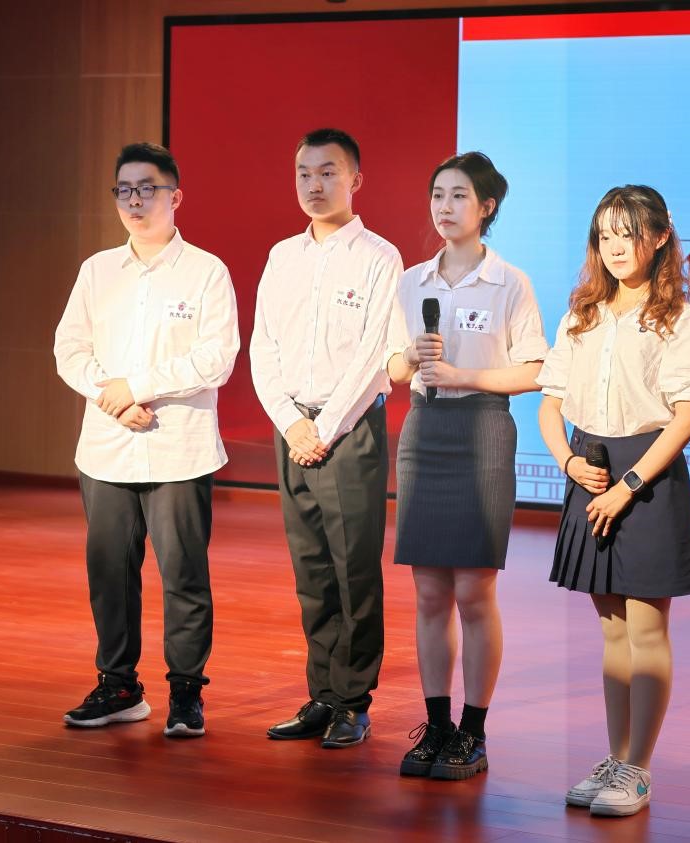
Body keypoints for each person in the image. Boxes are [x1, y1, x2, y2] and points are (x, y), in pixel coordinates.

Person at [536, 185, 690, 816]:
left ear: (661, 236)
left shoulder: (683, 321)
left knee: (646, 626)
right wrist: (568, 463)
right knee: (611, 628)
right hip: (589, 469)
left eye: (629, 233)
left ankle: (638, 769)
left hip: (647, 475)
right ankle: (616, 758)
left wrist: (629, 486)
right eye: (605, 235)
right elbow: (551, 404)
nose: (615, 247)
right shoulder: (581, 314)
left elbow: (687, 416)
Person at [54, 141, 239, 738]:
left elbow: (216, 357)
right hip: (106, 447)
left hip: (178, 448)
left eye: (147, 189)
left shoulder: (206, 271)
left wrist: (137, 388)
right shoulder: (97, 270)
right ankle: (119, 687)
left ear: (175, 197)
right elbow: (68, 348)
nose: (134, 201)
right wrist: (110, 395)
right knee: (110, 573)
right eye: (125, 191)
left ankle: (186, 692)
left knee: (184, 575)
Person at [385, 152, 547, 780]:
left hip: (482, 430)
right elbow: (392, 368)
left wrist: (463, 375)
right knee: (429, 591)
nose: (444, 207)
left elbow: (534, 370)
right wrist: (410, 356)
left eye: (458, 196)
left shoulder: (510, 283)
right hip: (425, 430)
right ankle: (437, 724)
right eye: (437, 195)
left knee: (474, 591)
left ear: (487, 207)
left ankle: (473, 731)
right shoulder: (412, 280)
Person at [250, 128, 403, 748]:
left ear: (355, 180)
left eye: (328, 173)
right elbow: (263, 347)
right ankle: (321, 694)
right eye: (304, 174)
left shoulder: (379, 258)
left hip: (350, 431)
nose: (314, 185)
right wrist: (291, 423)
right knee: (311, 569)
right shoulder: (281, 256)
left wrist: (325, 426)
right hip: (294, 430)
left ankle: (353, 701)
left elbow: (373, 357)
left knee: (353, 570)